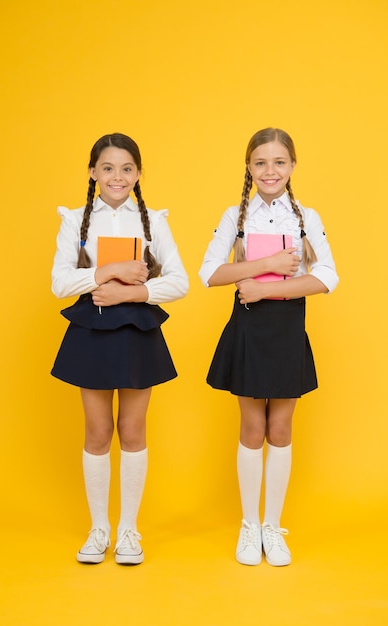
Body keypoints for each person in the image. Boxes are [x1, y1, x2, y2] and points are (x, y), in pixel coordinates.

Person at [199, 128, 338, 567]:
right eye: (261, 162)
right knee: (251, 429)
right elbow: (209, 273)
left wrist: (266, 290)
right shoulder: (236, 216)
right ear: (249, 168)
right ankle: (248, 525)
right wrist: (267, 266)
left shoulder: (306, 218)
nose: (270, 170)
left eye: (279, 162)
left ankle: (272, 527)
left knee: (280, 429)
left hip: (286, 332)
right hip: (247, 332)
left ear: (293, 166)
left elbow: (327, 277)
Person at [51, 133, 188, 565]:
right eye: (107, 168)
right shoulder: (75, 221)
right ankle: (99, 529)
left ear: (139, 174)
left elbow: (179, 282)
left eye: (127, 168)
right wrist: (107, 272)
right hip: (91, 332)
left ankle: (129, 530)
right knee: (96, 432)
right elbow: (59, 283)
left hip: (137, 330)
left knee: (132, 430)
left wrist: (132, 292)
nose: (117, 176)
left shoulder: (153, 222)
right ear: (92, 173)